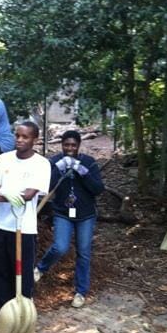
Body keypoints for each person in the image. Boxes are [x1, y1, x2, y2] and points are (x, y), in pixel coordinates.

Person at [0, 121, 50, 326]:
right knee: (0, 271)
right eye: (18, 136)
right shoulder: (4, 159)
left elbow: (29, 195)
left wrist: (4, 193)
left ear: (35, 140)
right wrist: (6, 193)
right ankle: (3, 319)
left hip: (23, 228)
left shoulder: (41, 164)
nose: (20, 140)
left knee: (22, 275)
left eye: (25, 137)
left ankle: (22, 318)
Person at [34, 130, 104, 308]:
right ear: (62, 145)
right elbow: (46, 186)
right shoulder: (54, 161)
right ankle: (40, 268)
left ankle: (80, 292)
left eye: (73, 145)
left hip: (85, 215)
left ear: (79, 146)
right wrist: (58, 168)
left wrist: (82, 171)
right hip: (63, 212)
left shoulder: (89, 162)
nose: (70, 148)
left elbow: (98, 189)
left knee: (84, 252)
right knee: (60, 246)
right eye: (66, 145)